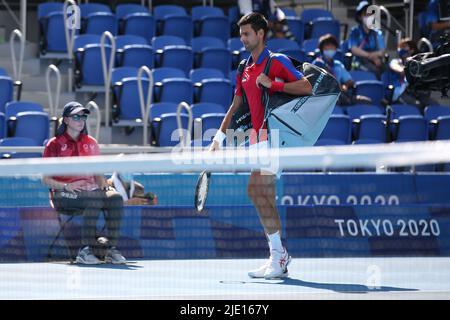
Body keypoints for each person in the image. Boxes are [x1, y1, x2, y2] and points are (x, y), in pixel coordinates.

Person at [210, 12, 312, 279]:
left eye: (247, 34)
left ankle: (279, 256)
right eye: (241, 34)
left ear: (260, 34)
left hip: (274, 138)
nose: (242, 38)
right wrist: (218, 139)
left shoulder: (276, 61)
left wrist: (274, 84)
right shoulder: (243, 67)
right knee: (262, 196)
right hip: (255, 140)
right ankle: (278, 256)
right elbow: (237, 104)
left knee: (255, 190)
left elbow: (306, 87)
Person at [42, 102, 126, 265]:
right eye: (76, 116)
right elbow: (45, 179)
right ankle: (86, 250)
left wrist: (102, 184)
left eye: (83, 116)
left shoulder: (91, 142)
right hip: (63, 194)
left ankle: (110, 248)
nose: (81, 120)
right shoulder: (53, 144)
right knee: (93, 199)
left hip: (91, 190)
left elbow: (98, 174)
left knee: (115, 198)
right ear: (66, 120)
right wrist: (66, 186)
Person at [313, 33, 371, 106]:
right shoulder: (317, 63)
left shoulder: (338, 64)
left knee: (366, 101)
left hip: (341, 95)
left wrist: (345, 85)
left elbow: (350, 81)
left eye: (332, 46)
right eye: (327, 46)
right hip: (324, 98)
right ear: (322, 48)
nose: (330, 48)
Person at [389, 38, 438, 109]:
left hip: (417, 93)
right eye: (400, 47)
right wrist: (410, 65)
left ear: (412, 50)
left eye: (404, 47)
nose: (401, 49)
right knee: (417, 106)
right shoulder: (395, 61)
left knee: (435, 106)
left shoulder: (417, 63)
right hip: (401, 93)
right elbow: (402, 71)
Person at [348, 0, 386, 78]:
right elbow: (354, 49)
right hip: (358, 63)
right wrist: (370, 56)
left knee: (386, 71)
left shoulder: (377, 33)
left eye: (371, 14)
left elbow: (382, 51)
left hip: (376, 62)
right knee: (373, 72)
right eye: (366, 14)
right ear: (360, 17)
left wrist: (375, 57)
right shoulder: (355, 31)